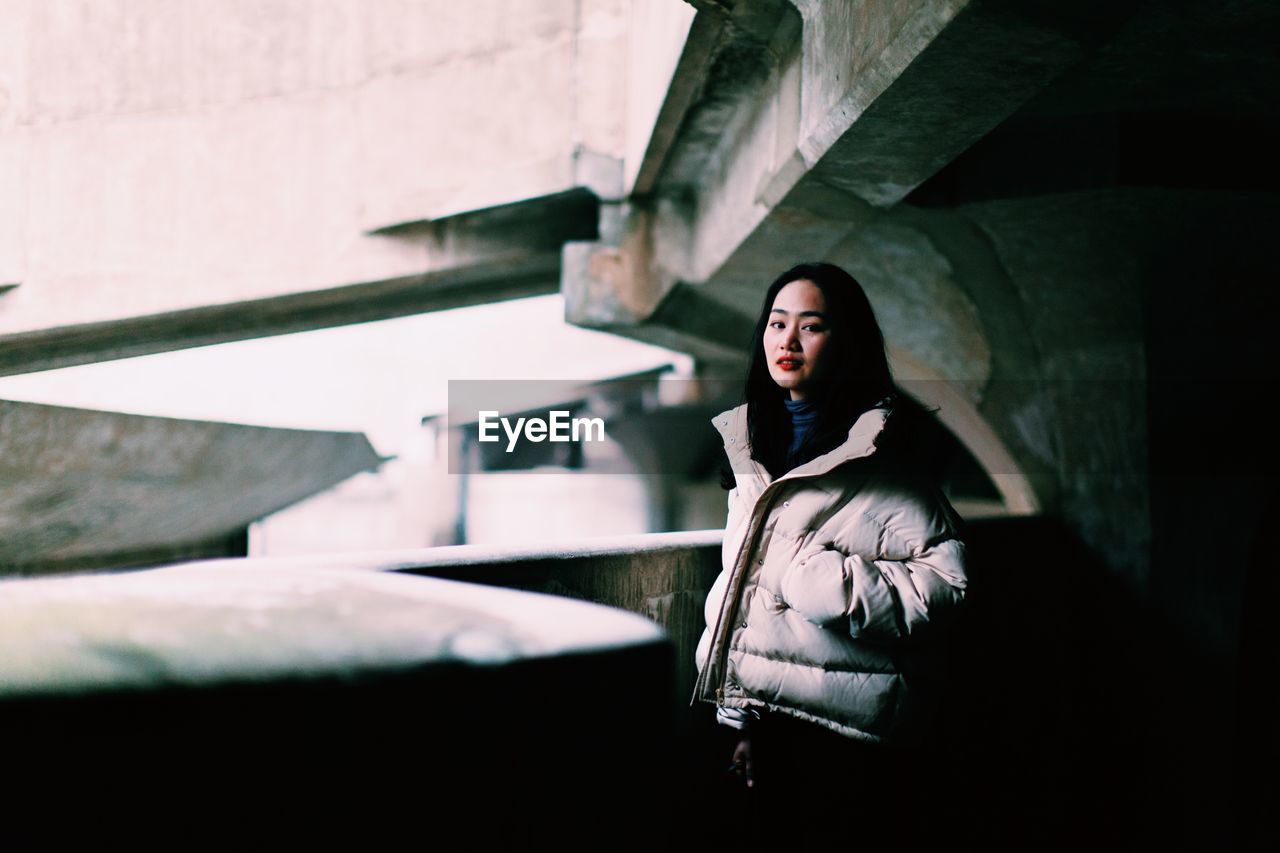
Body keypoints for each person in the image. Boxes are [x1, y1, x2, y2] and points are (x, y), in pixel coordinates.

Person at [690, 261, 969, 848]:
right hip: (768, 725)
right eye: (776, 323)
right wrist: (740, 722)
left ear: (846, 343)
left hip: (849, 738)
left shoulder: (882, 457)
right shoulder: (754, 449)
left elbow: (949, 585)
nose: (787, 341)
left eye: (810, 326)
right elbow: (749, 596)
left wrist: (820, 582)